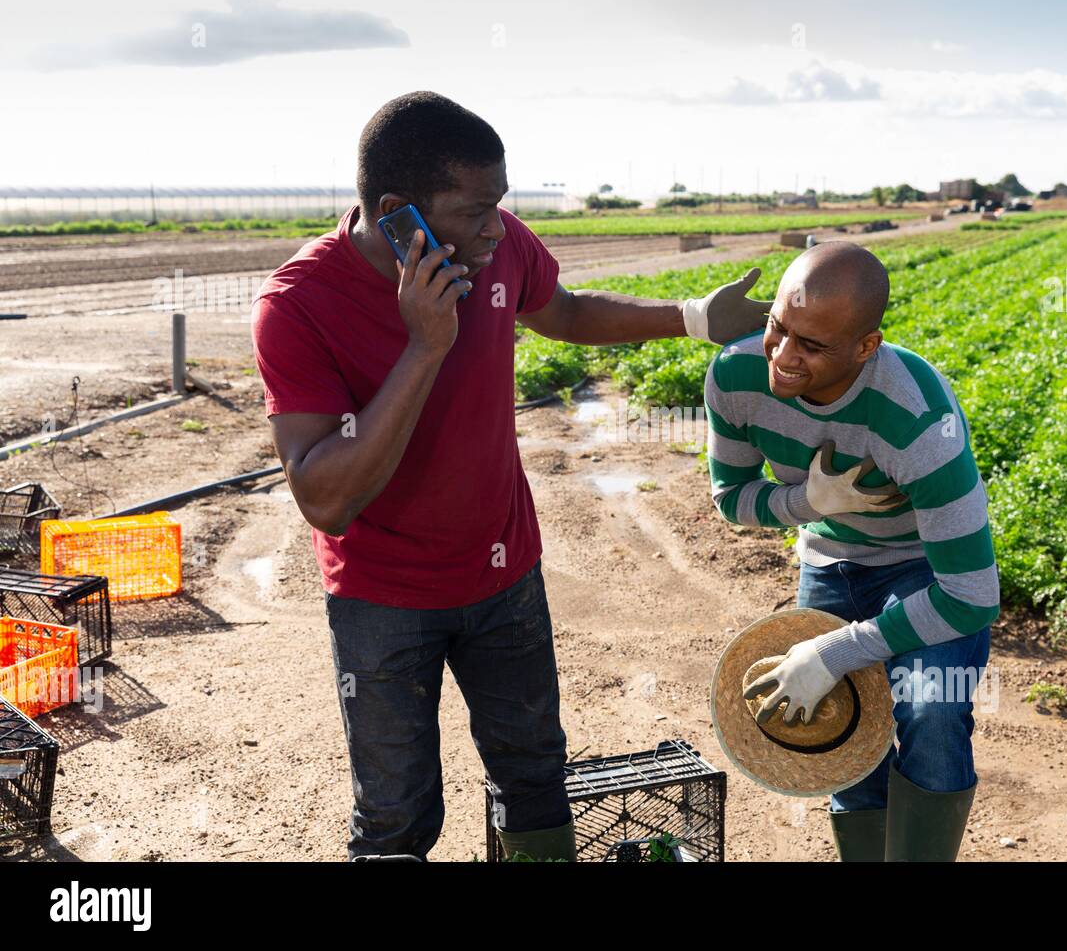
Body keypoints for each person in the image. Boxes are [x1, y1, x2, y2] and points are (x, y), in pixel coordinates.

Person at [250, 90, 768, 861]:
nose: (498, 228)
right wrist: (425, 345)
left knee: (533, 780)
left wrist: (693, 317)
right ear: (399, 212)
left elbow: (565, 311)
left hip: (503, 576)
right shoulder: (298, 306)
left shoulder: (495, 246)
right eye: (475, 209)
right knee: (394, 816)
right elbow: (325, 499)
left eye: (502, 204)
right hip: (382, 598)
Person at [703, 241, 999, 861]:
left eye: (811, 346)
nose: (782, 358)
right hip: (830, 560)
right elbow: (732, 498)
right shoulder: (735, 376)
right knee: (841, 727)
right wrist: (810, 502)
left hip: (925, 569)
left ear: (866, 347)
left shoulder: (916, 418)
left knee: (932, 710)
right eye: (777, 329)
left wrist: (835, 648)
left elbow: (970, 596)